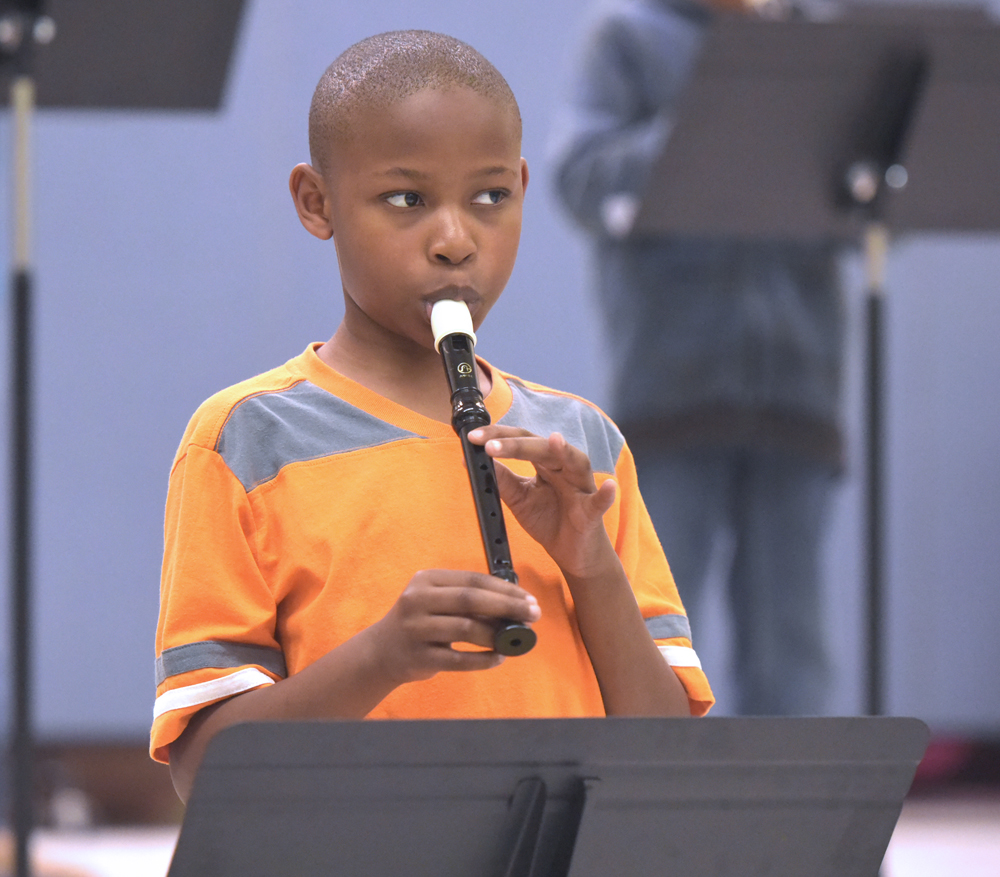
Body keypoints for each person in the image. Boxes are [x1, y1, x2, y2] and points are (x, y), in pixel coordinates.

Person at [151, 30, 714, 803]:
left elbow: (663, 757)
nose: (456, 241)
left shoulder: (582, 443)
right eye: (406, 199)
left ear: (521, 186)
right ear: (317, 203)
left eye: (490, 197)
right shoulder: (246, 440)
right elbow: (205, 772)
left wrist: (592, 565)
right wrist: (382, 655)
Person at [549, 0, 844, 715]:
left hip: (798, 386)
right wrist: (714, 118)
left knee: (791, 643)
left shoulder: (813, 43)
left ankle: (790, 819)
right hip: (670, 386)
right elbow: (578, 176)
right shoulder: (628, 35)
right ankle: (650, 815)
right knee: (654, 628)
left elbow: (865, 205)